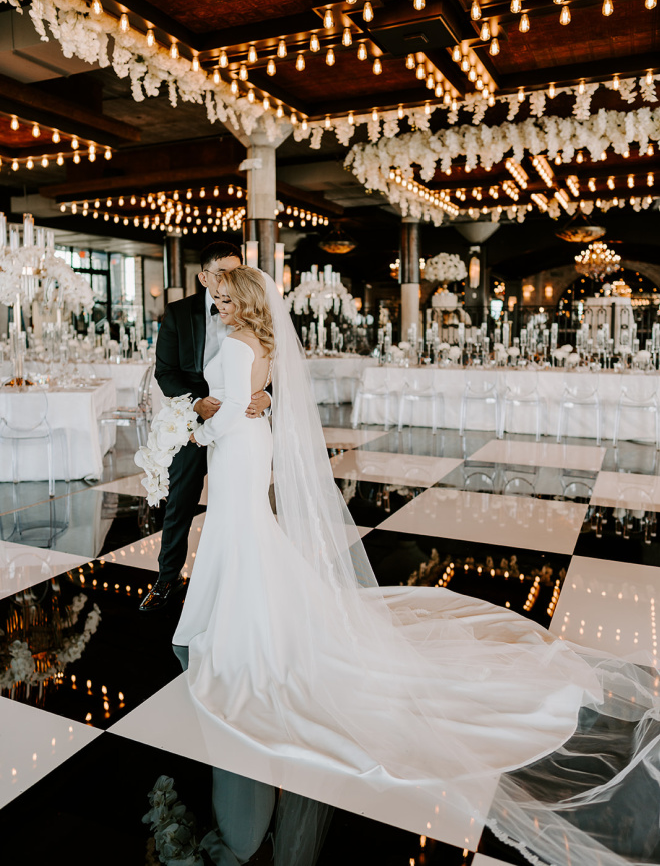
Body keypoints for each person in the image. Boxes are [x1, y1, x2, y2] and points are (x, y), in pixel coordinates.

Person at [172, 266, 660, 866]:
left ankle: (239, 627)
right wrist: (238, 405)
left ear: (244, 301)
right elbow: (257, 396)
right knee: (243, 530)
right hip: (249, 449)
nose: (215, 305)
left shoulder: (239, 342)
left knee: (239, 529)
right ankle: (235, 615)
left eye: (224, 298)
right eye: (214, 298)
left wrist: (189, 425)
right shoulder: (257, 342)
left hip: (236, 450)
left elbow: (227, 411)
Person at [139, 244, 271, 612]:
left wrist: (268, 399)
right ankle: (168, 580)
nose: (228, 282)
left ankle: (237, 586)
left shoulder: (256, 320)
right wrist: (196, 404)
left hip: (240, 426)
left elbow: (271, 371)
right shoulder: (178, 314)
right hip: (193, 419)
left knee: (241, 507)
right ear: (203, 277)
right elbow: (165, 372)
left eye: (236, 272)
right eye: (221, 275)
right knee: (180, 501)